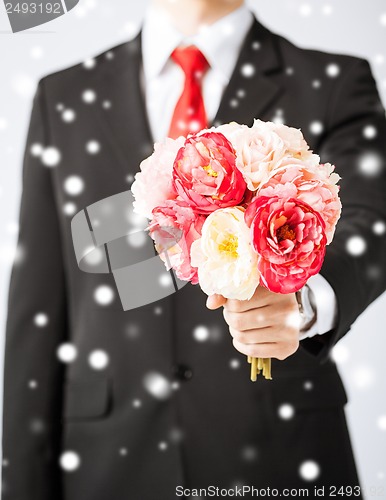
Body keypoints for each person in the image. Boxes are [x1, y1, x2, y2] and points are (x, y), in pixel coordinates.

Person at [2, 0, 386, 499]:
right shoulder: (66, 94)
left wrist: (304, 298)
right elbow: (38, 307)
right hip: (108, 456)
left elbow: (370, 225)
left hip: (279, 454)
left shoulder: (331, 80)